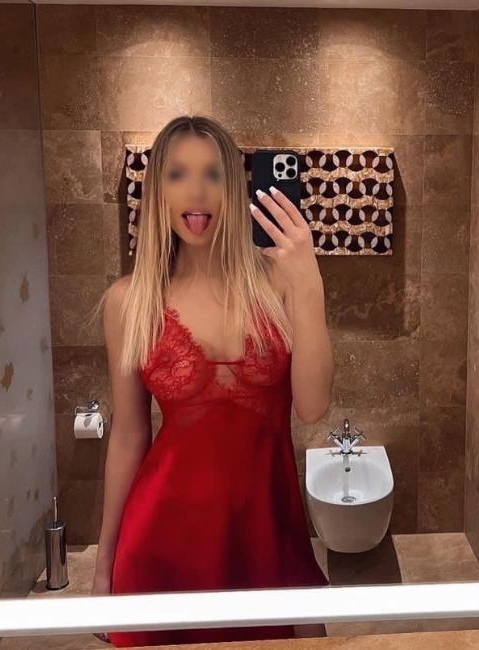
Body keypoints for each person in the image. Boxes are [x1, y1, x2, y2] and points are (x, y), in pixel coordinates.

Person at [88, 115, 334, 646]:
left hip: (268, 534)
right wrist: (104, 564)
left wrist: (309, 280)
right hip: (162, 543)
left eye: (213, 174)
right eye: (178, 174)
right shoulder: (130, 301)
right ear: (157, 192)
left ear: (235, 189)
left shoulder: (280, 283)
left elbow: (313, 406)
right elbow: (129, 435)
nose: (196, 191)